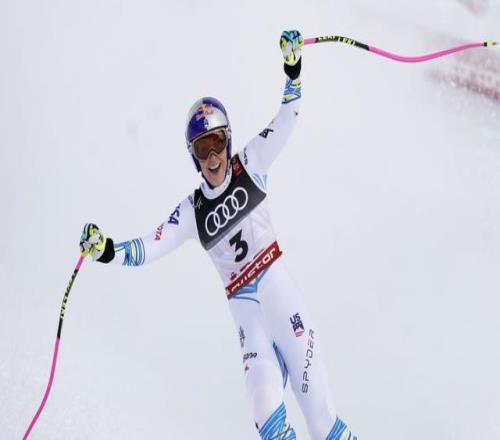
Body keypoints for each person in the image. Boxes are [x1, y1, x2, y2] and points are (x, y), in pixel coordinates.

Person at [80, 30, 357, 440]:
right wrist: (106, 251)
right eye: (202, 149)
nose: (213, 157)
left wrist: (292, 69)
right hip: (247, 314)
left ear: (228, 141)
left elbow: (287, 117)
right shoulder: (192, 211)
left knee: (323, 424)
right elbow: (149, 247)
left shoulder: (251, 163)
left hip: (281, 297)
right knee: (266, 416)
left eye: (217, 143)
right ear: (194, 158)